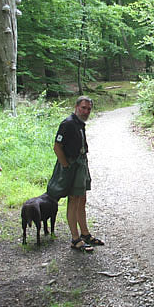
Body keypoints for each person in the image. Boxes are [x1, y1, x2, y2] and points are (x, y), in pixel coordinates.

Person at [47, 96, 104, 252]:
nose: (86, 111)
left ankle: (85, 234)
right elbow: (57, 146)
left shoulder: (79, 123)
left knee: (82, 198)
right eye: (83, 108)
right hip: (72, 165)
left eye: (88, 109)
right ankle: (75, 239)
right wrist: (66, 165)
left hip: (81, 163)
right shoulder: (67, 123)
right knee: (74, 199)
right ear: (76, 107)